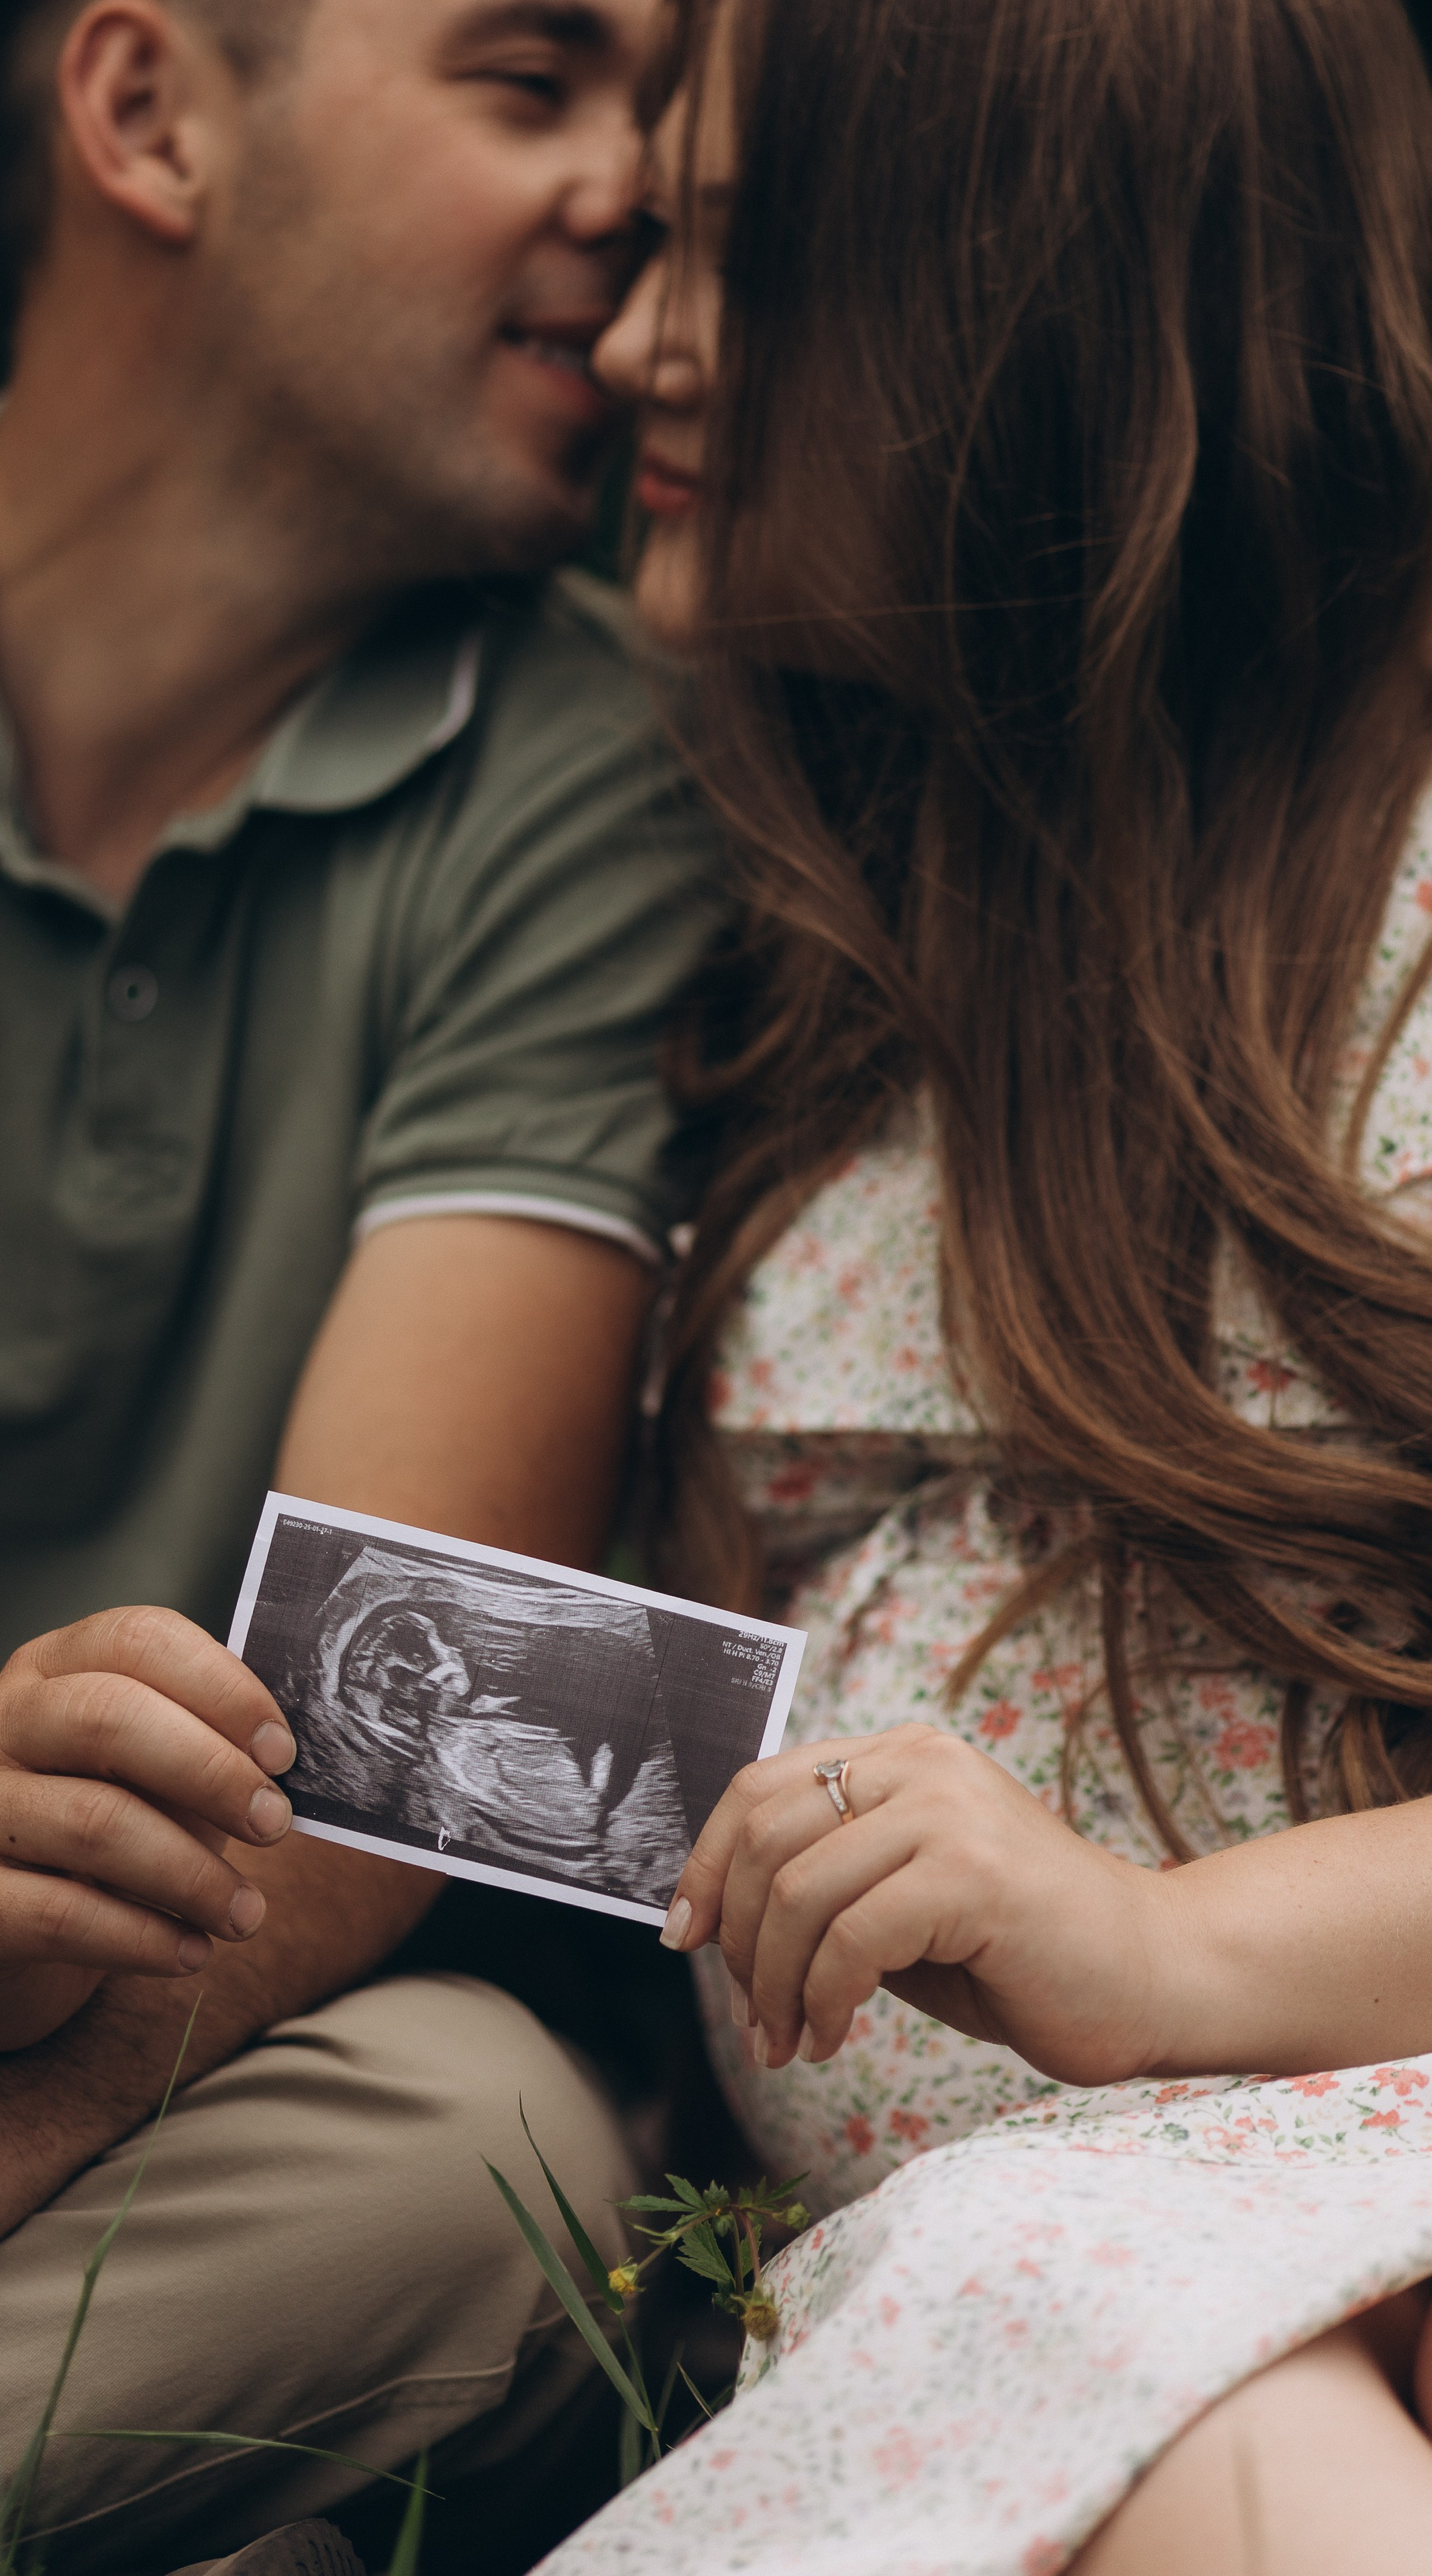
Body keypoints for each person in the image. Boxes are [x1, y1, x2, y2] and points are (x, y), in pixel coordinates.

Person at [0, 1, 723, 2568]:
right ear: (152, 111)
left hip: (121, 2135)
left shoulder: (615, 773)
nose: (644, 189)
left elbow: (427, 1755)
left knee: (482, 2144)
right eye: (534, 80)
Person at [537, 1, 1432, 2568]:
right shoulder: (811, 903)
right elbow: (657, 1700)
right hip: (1038, 2342)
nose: (631, 342)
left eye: (725, 252)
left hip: (1261, 2235)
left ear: (1003, 294)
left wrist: (1146, 1951)